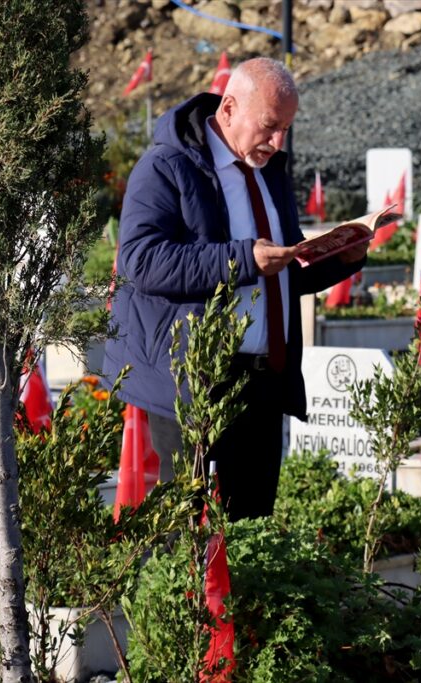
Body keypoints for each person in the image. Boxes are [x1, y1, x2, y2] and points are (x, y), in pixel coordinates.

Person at [103, 57, 367, 521]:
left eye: (286, 128)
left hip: (262, 382)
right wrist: (243, 259)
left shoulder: (268, 171)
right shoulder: (166, 166)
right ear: (228, 108)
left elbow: (280, 270)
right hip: (189, 381)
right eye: (269, 126)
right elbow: (141, 261)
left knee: (251, 526)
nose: (278, 141)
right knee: (184, 533)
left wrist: (340, 257)